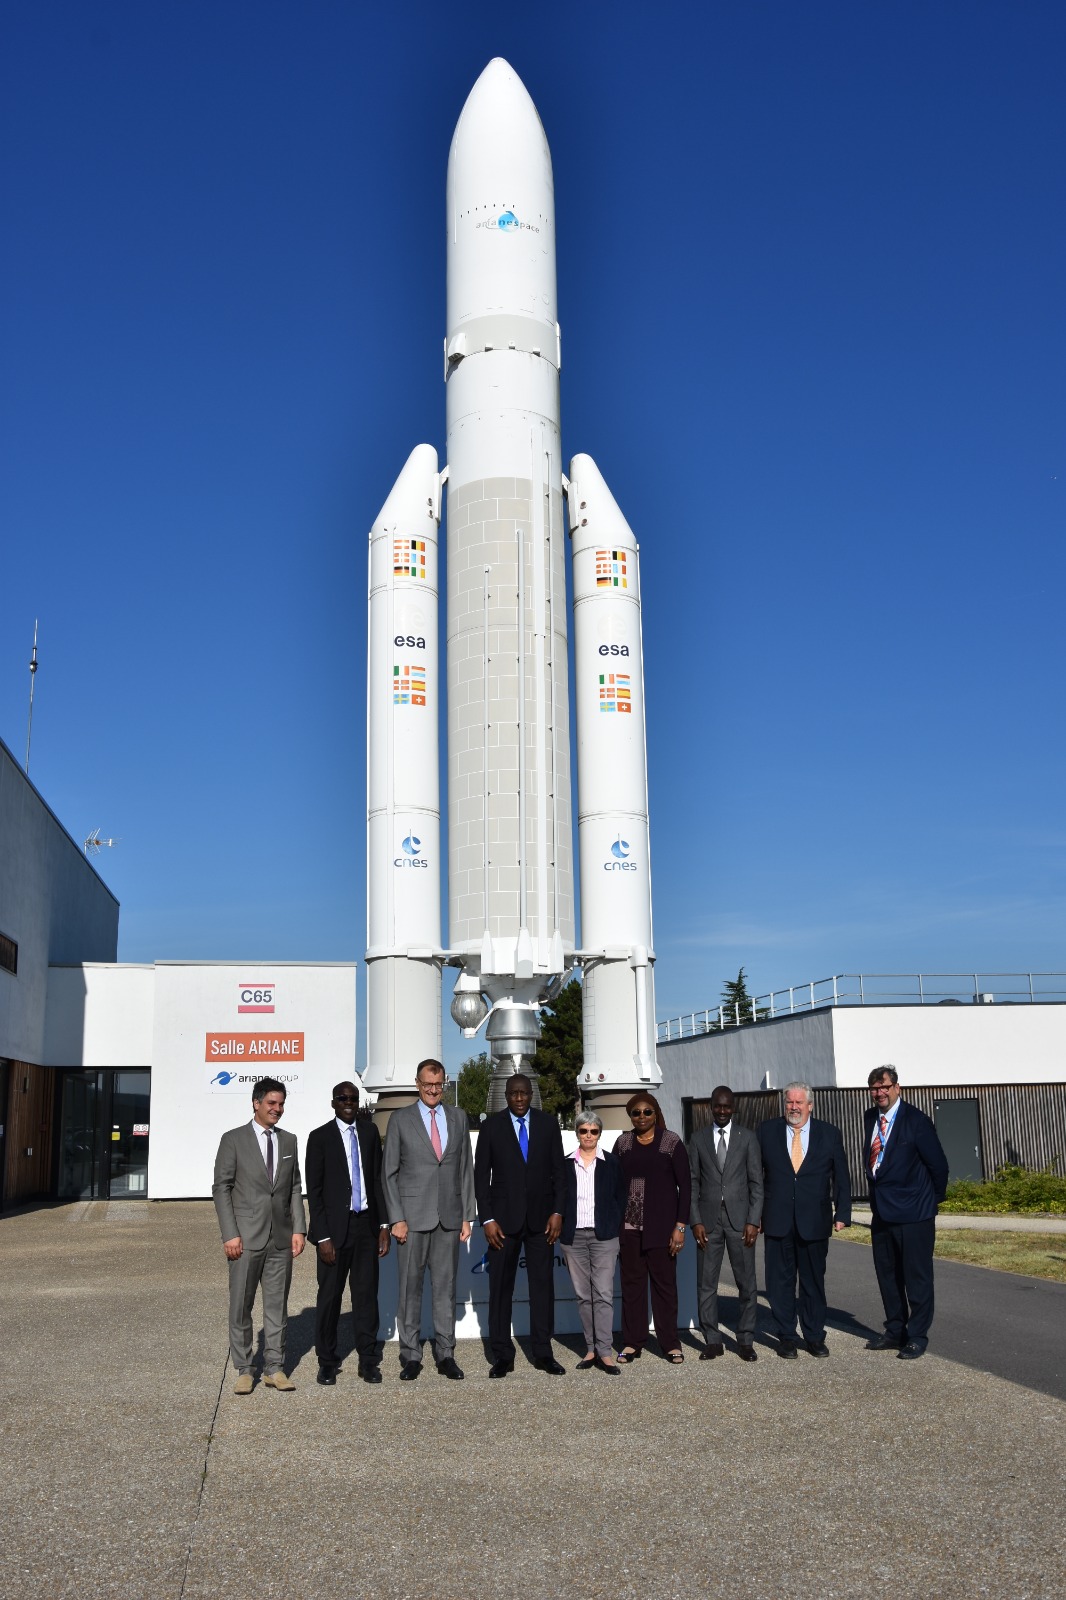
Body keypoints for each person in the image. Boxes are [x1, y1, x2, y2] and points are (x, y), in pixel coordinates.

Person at [382, 1057, 476, 1381]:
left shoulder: (459, 1117)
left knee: (445, 1289)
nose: (433, 1090)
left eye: (438, 1084)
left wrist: (467, 1216)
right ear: (417, 1084)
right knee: (409, 1289)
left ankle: (445, 1354)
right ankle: (410, 1356)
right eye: (427, 1084)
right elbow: (389, 1173)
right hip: (411, 1218)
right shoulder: (400, 1119)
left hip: (449, 1218)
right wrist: (396, 1218)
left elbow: (465, 1169)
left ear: (444, 1083)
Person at [212, 1076, 306, 1394]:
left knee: (277, 1306)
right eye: (271, 1103)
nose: (277, 1109)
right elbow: (221, 1188)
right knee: (241, 1304)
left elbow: (294, 1187)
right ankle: (243, 1369)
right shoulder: (233, 1140)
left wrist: (299, 1228)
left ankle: (275, 1368)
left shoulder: (289, 1140)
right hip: (244, 1238)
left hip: (280, 1238)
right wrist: (230, 1233)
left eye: (281, 1104)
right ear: (256, 1103)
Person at [473, 1072, 567, 1378]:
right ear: (506, 1095)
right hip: (502, 1223)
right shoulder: (490, 1127)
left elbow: (559, 1174)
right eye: (513, 1093)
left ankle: (543, 1352)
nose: (518, 1099)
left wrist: (557, 1212)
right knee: (500, 1289)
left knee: (543, 1288)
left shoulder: (548, 1124)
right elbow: (480, 1178)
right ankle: (502, 1355)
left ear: (531, 1094)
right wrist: (486, 1219)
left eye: (523, 1093)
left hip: (541, 1222)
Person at [305, 1080, 391, 1387]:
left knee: (366, 1297)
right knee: (329, 1298)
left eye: (353, 1098)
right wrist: (323, 1237)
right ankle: (327, 1362)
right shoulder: (319, 1138)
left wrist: (383, 1226)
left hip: (366, 1227)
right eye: (342, 1098)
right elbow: (314, 1193)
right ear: (333, 1103)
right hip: (334, 1233)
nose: (348, 1102)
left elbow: (378, 1181)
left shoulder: (368, 1134)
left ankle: (369, 1361)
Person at [758, 1082, 851, 1359]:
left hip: (815, 1220)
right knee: (779, 1283)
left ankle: (814, 1336)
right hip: (777, 1219)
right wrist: (756, 1215)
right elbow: (756, 1176)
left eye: (799, 1103)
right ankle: (786, 1336)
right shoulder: (766, 1131)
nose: (794, 1107)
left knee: (812, 1282)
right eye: (789, 1102)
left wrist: (843, 1213)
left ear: (810, 1105)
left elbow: (841, 1176)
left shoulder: (829, 1134)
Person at [864, 1064, 950, 1360]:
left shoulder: (916, 1121)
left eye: (884, 1087)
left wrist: (928, 1202)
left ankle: (916, 1336)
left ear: (896, 1088)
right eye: (874, 1089)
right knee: (887, 1276)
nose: (879, 1093)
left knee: (917, 1278)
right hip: (882, 1214)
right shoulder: (869, 1119)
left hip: (915, 1215)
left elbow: (939, 1167)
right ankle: (895, 1330)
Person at [614, 1092, 691, 1364]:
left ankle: (670, 1343)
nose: (642, 1117)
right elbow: (613, 1185)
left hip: (663, 1226)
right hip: (630, 1226)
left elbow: (686, 1186)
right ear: (630, 1116)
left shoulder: (670, 1142)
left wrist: (680, 1226)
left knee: (664, 1287)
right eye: (636, 1113)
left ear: (655, 1112)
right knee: (632, 1287)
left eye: (647, 1112)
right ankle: (632, 1342)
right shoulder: (623, 1143)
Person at [688, 1085, 763, 1361]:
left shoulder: (747, 1138)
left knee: (747, 1283)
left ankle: (745, 1340)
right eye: (717, 1106)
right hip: (707, 1223)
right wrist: (695, 1220)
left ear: (733, 1107)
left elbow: (757, 1183)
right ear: (710, 1106)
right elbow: (692, 1183)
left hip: (740, 1222)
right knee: (706, 1284)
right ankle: (713, 1340)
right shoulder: (697, 1139)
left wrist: (753, 1220)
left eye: (726, 1106)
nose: (722, 1111)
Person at [559, 1111, 626, 1374]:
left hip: (604, 1237)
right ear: (577, 1133)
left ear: (600, 1133)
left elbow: (620, 1197)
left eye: (593, 1131)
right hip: (573, 1237)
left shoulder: (612, 1163)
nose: (588, 1135)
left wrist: (612, 1224)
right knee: (583, 1296)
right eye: (584, 1131)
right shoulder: (565, 1164)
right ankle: (590, 1349)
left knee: (604, 1294)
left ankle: (606, 1352)